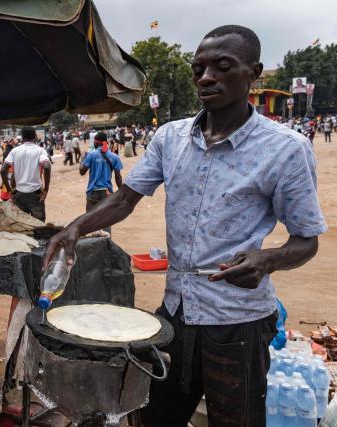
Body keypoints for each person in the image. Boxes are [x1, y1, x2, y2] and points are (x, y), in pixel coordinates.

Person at [44, 25, 326, 427]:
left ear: (254, 73)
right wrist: (76, 228)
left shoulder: (285, 149)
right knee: (156, 416)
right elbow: (126, 199)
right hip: (175, 313)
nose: (206, 78)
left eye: (222, 66)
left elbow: (306, 241)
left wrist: (266, 260)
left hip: (238, 320)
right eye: (198, 69)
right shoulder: (169, 137)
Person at [0, 127, 51, 222]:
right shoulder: (40, 150)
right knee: (39, 228)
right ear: (35, 136)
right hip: (36, 196)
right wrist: (46, 189)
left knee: (22, 226)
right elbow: (47, 166)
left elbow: (3, 170)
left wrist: (9, 190)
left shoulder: (15, 151)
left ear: (22, 137)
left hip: (19, 195)